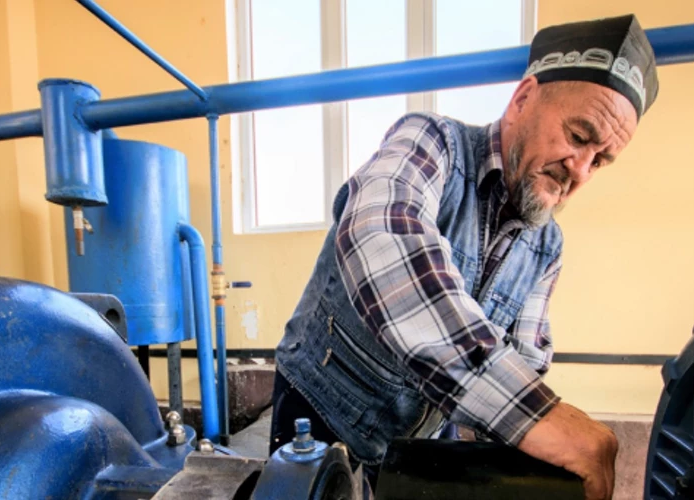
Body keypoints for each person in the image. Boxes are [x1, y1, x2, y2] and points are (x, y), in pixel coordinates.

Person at [268, 14, 659, 500]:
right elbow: (382, 232)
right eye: (579, 136)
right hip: (321, 407)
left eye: (600, 160)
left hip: (419, 435)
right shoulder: (433, 143)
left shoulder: (547, 246)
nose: (579, 170)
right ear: (522, 100)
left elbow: (523, 362)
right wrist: (540, 417)